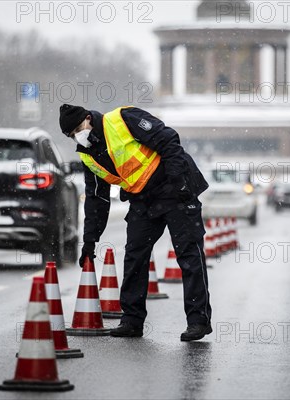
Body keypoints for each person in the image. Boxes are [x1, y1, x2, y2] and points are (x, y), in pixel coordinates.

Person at [59, 104, 212, 342]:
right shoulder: (88, 154)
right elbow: (96, 199)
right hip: (144, 199)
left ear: (88, 119)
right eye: (72, 135)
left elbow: (169, 140)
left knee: (189, 254)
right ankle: (132, 320)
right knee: (134, 256)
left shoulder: (123, 118)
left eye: (79, 129)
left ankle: (198, 321)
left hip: (175, 190)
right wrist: (90, 240)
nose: (78, 136)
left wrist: (178, 180)